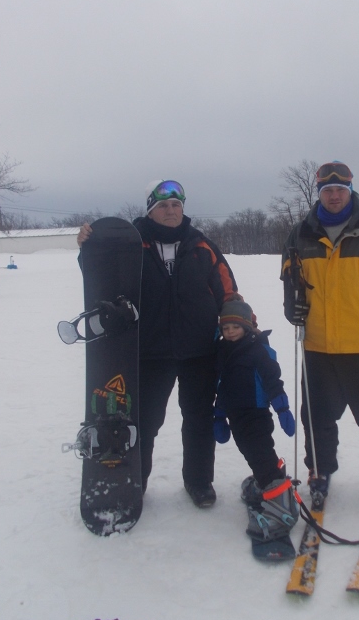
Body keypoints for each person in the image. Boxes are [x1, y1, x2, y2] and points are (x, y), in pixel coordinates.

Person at [77, 179, 240, 507]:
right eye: (163, 206)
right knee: (145, 422)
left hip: (198, 351)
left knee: (198, 420)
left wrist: (238, 321)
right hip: (149, 351)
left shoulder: (201, 245)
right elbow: (100, 277)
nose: (171, 210)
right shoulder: (132, 243)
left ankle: (199, 482)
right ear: (151, 211)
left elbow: (228, 290)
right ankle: (137, 480)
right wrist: (87, 247)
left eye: (176, 205)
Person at [281, 161, 359, 502]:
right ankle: (320, 469)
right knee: (317, 417)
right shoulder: (301, 232)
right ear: (319, 193)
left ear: (349, 191)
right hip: (317, 344)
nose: (334, 196)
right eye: (327, 191)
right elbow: (290, 277)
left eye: (340, 190)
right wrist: (291, 307)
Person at [213, 299, 299, 547]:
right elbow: (222, 386)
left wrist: (283, 409)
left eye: (235, 327)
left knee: (261, 455)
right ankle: (265, 483)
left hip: (256, 414)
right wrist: (219, 415)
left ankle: (282, 509)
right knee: (251, 454)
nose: (230, 332)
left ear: (247, 327)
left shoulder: (258, 351)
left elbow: (273, 381)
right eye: (226, 327)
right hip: (235, 414)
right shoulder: (222, 350)